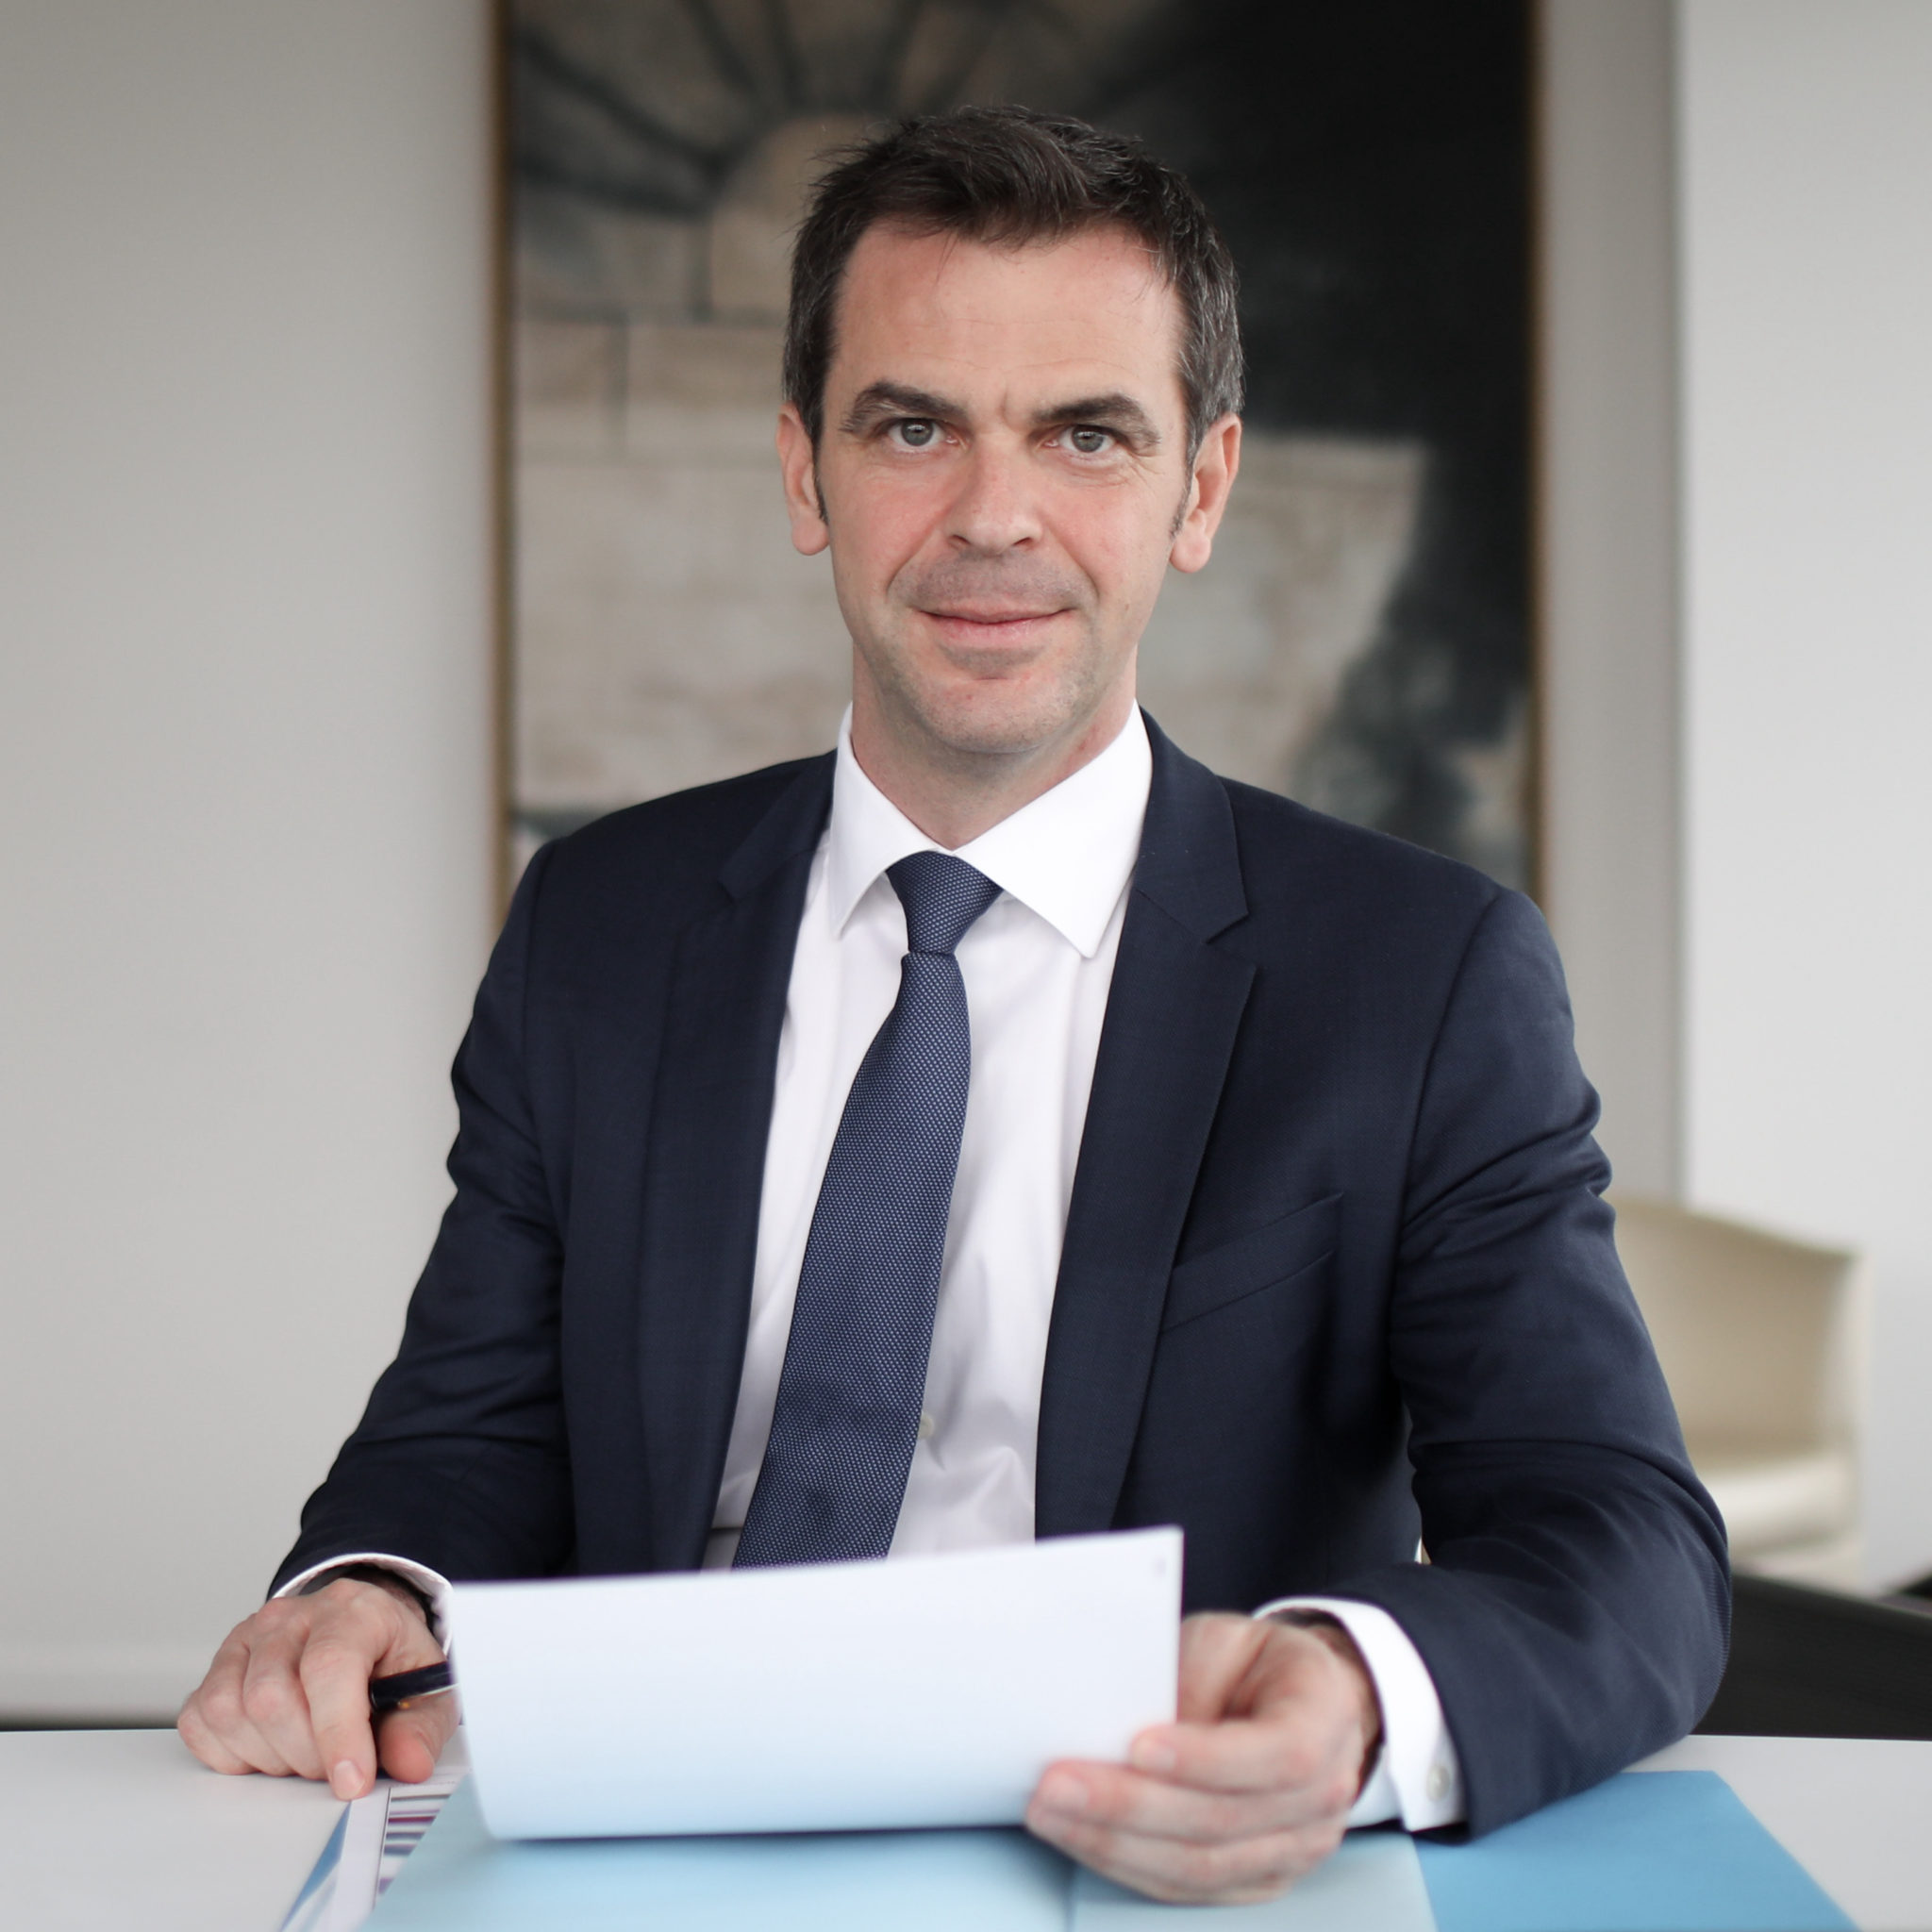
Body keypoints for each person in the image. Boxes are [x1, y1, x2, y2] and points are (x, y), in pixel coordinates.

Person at [177, 107, 1727, 1907]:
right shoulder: (599, 927)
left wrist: (1355, 1695)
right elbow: (468, 1438)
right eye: (913, 428)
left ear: (1201, 490)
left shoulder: (1424, 974)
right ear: (805, 475)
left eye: (1087, 435)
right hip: (654, 1844)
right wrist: (370, 1589)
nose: (994, 517)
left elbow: (1617, 1536)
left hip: (1141, 1862)